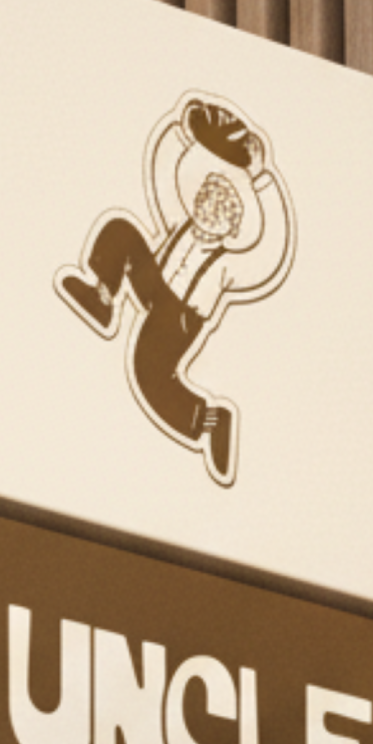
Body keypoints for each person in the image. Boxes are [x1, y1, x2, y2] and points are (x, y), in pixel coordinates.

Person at [55, 97, 294, 486]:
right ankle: (102, 297)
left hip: (180, 319)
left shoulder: (229, 265)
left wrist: (263, 179)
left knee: (149, 372)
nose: (207, 211)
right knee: (120, 231)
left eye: (220, 209)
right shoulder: (177, 222)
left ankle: (210, 422)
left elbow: (271, 252)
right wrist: (185, 131)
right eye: (205, 199)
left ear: (232, 225)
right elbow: (161, 172)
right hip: (153, 285)